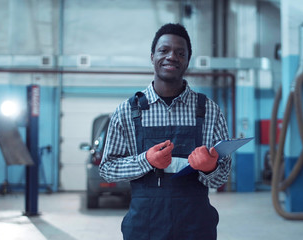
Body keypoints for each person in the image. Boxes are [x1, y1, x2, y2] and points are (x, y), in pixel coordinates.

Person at [99, 23, 231, 240]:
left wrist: (210, 168)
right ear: (152, 57)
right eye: (164, 50)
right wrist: (146, 161)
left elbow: (221, 178)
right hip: (145, 228)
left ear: (188, 60)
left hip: (196, 228)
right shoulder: (127, 111)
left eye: (180, 53)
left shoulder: (209, 111)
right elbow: (107, 168)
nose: (172, 56)